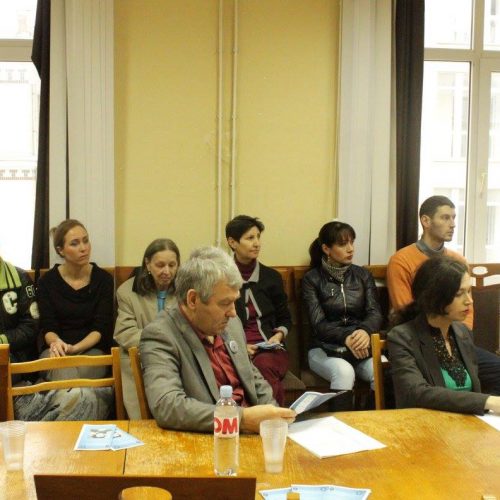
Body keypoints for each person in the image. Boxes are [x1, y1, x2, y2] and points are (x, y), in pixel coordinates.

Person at [140, 246, 296, 432]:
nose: (233, 313)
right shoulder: (161, 335)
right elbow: (167, 406)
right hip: (211, 439)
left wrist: (275, 419)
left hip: (256, 434)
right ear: (193, 300)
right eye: (225, 303)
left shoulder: (231, 324)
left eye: (234, 301)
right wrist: (241, 419)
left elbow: (253, 377)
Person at [387, 195, 500, 395]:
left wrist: (459, 338)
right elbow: (405, 308)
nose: (453, 224)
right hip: (422, 339)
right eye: (445, 217)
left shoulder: (458, 261)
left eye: (454, 218)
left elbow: (468, 309)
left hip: (456, 338)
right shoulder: (401, 260)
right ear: (426, 221)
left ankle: (484, 413)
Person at [387, 256, 500, 414]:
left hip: (469, 422)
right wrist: (488, 401)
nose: (469, 301)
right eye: (459, 294)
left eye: (469, 291)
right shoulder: (402, 337)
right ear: (436, 297)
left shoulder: (462, 333)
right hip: (427, 423)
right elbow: (416, 393)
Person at [302, 221, 383, 410]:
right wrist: (346, 337)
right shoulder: (312, 279)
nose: (350, 249)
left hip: (361, 347)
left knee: (381, 368)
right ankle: (339, 424)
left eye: (352, 242)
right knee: (344, 372)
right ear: (326, 249)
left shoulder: (363, 275)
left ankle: (371, 422)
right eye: (342, 244)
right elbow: (318, 323)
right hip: (323, 348)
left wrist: (364, 331)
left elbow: (375, 313)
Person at [225, 215, 291, 406]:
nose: (257, 243)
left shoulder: (272, 277)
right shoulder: (223, 278)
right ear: (232, 242)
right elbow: (217, 322)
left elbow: (285, 318)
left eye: (258, 237)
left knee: (264, 364)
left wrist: (278, 336)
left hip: (270, 349)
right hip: (234, 349)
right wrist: (239, 347)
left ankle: (273, 417)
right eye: (250, 238)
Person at [37, 219, 114, 380]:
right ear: (61, 250)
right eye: (75, 243)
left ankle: (61, 395)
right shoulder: (47, 282)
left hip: (93, 349)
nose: (83, 248)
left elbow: (100, 328)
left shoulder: (103, 280)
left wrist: (75, 349)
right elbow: (48, 327)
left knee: (77, 375)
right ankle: (79, 395)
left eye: (86, 241)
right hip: (56, 348)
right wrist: (58, 344)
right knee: (64, 373)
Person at [114, 238, 180, 419]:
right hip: (141, 355)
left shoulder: (185, 290)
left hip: (176, 355)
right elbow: (125, 333)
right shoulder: (127, 291)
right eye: (160, 265)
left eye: (172, 265)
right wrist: (159, 341)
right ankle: (140, 424)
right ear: (148, 264)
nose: (167, 271)